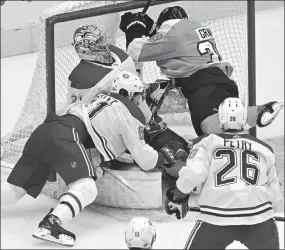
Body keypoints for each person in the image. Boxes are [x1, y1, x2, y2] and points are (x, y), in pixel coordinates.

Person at [1, 71, 182, 247]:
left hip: (45, 130)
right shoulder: (127, 112)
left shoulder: (97, 97)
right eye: (139, 96)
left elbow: (99, 138)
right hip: (66, 137)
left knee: (13, 191)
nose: (141, 100)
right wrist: (163, 155)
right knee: (86, 187)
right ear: (129, 94)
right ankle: (52, 224)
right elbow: (145, 160)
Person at [119, 6, 284, 136]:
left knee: (207, 125)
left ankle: (257, 112)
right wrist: (148, 27)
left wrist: (134, 27)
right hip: (217, 81)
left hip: (202, 85)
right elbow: (170, 42)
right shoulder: (193, 28)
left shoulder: (173, 31)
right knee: (225, 127)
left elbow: (136, 51)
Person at [165, 97, 283, 249]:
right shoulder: (265, 149)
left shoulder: (206, 143)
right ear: (244, 118)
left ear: (220, 118)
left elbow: (192, 175)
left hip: (217, 217)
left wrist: (177, 197)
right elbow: (276, 198)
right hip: (259, 219)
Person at [68, 24, 189, 165]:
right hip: (118, 121)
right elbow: (81, 115)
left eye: (101, 40)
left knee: (165, 137)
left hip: (137, 108)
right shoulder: (80, 78)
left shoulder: (118, 55)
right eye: (97, 44)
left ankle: (169, 147)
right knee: (148, 151)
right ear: (84, 50)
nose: (103, 45)